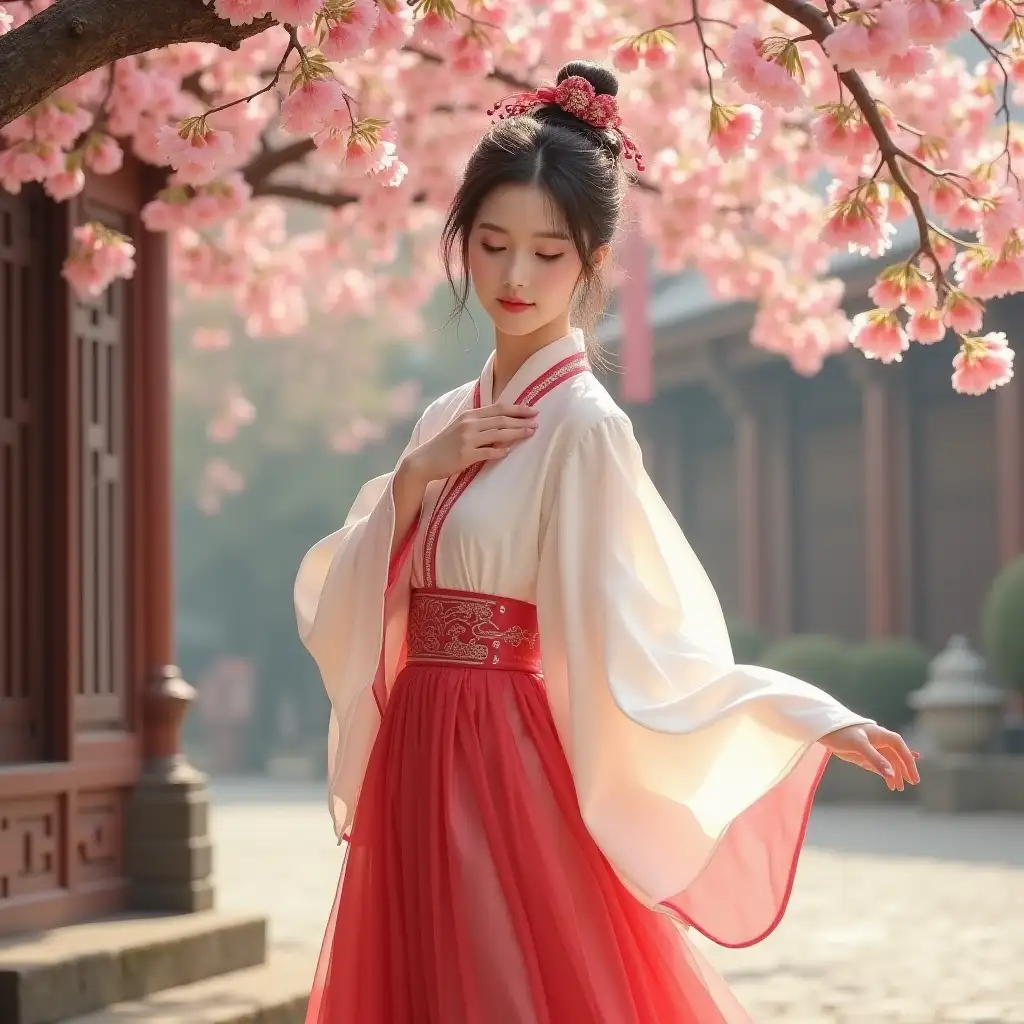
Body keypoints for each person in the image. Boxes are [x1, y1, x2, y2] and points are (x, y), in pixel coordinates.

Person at [294, 58, 920, 1023]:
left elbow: (638, 627)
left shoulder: (584, 426)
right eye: (493, 244)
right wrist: (417, 477)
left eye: (548, 254)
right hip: (418, 740)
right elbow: (355, 589)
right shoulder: (444, 417)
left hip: (500, 752)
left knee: (504, 984)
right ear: (462, 243)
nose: (513, 276)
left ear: (591, 263)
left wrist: (798, 709)